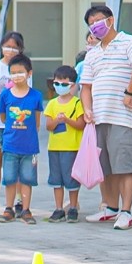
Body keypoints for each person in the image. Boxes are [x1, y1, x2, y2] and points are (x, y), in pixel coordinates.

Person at [78, 5, 132, 230]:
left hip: (122, 116)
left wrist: (129, 92)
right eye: (91, 24)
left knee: (124, 165)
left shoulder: (128, 42)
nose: (95, 27)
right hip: (98, 118)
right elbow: (85, 87)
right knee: (105, 166)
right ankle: (109, 208)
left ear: (110, 20)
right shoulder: (93, 53)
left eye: (98, 21)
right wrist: (87, 109)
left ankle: (126, 211)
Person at [0, 32, 29, 217]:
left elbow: (26, 94)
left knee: (16, 162)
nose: (10, 50)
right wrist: (9, 94)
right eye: (7, 46)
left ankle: (17, 201)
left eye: (14, 47)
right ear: (1, 47)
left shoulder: (23, 69)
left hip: (18, 122)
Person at [0, 54, 45, 224]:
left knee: (27, 178)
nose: (17, 76)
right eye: (13, 72)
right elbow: (3, 118)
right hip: (10, 145)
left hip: (30, 147)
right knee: (9, 178)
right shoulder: (5, 96)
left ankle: (25, 209)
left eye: (20, 72)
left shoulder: (36, 96)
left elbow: (37, 121)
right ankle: (8, 208)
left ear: (29, 73)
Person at [43, 65, 85, 223]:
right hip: (54, 147)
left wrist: (67, 120)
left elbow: (81, 124)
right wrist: (56, 121)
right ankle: (59, 208)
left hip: (72, 148)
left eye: (64, 84)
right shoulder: (52, 104)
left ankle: (73, 207)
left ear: (73, 85)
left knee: (71, 179)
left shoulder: (77, 103)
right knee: (56, 179)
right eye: (57, 83)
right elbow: (48, 126)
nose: (60, 87)